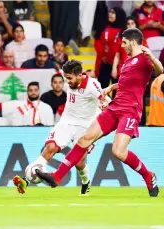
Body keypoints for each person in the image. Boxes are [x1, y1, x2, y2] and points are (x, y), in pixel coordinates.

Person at [35, 28, 163, 197]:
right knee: (84, 139)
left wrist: (153, 58)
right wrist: (110, 87)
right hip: (115, 107)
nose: (122, 46)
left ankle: (148, 175)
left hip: (130, 111)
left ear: (133, 41)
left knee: (118, 151)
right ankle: (56, 177)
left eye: (124, 42)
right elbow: (126, 84)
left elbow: (160, 71)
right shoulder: (127, 61)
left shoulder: (144, 58)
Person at [13, 60, 107, 194]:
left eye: (69, 78)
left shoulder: (92, 85)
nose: (67, 82)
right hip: (67, 122)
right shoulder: (72, 81)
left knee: (80, 163)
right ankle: (26, 180)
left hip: (85, 127)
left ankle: (86, 182)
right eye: (66, 78)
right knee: (50, 147)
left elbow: (105, 100)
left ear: (79, 75)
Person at [94, 7, 126, 89]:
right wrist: (102, 55)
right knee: (102, 89)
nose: (110, 14)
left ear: (119, 15)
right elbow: (97, 42)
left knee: (117, 90)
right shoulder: (103, 26)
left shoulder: (124, 31)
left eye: (113, 13)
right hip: (104, 62)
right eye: (110, 12)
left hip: (117, 64)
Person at [112, 16, 148, 80]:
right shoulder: (121, 39)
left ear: (136, 25)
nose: (130, 26)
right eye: (128, 24)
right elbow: (117, 55)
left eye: (132, 23)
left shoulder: (141, 40)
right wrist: (114, 68)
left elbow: (145, 56)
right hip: (122, 71)